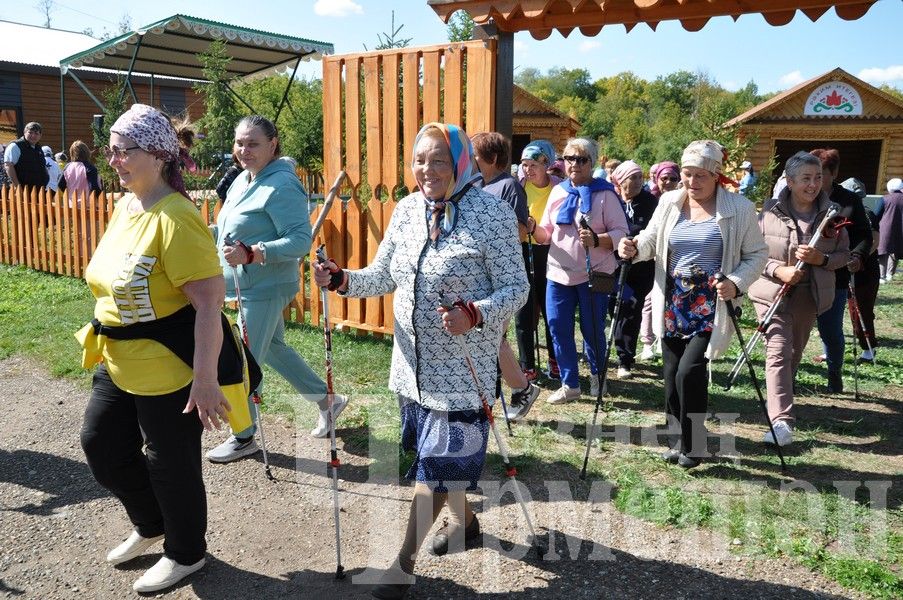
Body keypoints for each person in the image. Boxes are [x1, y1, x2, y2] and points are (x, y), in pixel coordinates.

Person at [314, 122, 528, 600]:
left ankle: (402, 564)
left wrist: (475, 313)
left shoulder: (491, 214)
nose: (427, 169)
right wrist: (342, 279)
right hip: (411, 369)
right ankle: (467, 524)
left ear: (459, 163)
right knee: (439, 466)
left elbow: (517, 289)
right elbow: (385, 274)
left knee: (435, 467)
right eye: (419, 160)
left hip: (463, 370)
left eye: (438, 159)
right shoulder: (408, 210)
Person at [76, 104, 237, 592]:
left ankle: (186, 553)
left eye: (126, 150)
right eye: (113, 149)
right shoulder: (127, 206)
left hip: (169, 368)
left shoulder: (177, 217)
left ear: (160, 155)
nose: (116, 159)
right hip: (118, 357)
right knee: (101, 444)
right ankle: (152, 525)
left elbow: (209, 305)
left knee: (171, 463)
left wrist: (206, 381)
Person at [618, 140, 767, 468]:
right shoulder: (670, 201)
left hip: (710, 302)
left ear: (717, 175)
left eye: (701, 175)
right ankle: (678, 442)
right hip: (672, 300)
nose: (692, 182)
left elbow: (757, 254)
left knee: (689, 372)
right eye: (687, 174)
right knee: (671, 374)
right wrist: (632, 247)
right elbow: (650, 241)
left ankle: (696, 445)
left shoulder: (737, 208)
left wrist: (736, 283)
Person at [207, 115, 338, 463]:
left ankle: (243, 434)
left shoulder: (282, 184)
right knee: (275, 348)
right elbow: (227, 230)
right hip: (246, 284)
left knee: (242, 360)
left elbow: (299, 241)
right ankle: (329, 402)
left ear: (273, 144)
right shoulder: (242, 180)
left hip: (265, 286)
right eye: (239, 143)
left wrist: (253, 253)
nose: (244, 150)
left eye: (253, 143)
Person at [748, 152, 849, 446]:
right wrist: (779, 269)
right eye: (806, 178)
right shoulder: (768, 213)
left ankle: (780, 397)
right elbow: (753, 254)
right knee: (778, 351)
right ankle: (781, 422)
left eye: (817, 178)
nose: (813, 184)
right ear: (790, 181)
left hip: (810, 295)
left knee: (793, 353)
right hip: (771, 294)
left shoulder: (833, 214)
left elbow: (843, 255)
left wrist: (822, 258)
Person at [531, 138, 629, 404]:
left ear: (592, 162)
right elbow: (547, 233)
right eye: (569, 158)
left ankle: (598, 377)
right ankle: (569, 384)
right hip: (558, 272)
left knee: (592, 329)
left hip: (594, 273)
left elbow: (622, 232)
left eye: (581, 159)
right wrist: (532, 228)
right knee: (557, 326)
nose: (574, 164)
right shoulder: (558, 191)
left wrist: (597, 239)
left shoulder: (605, 194)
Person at [470, 132, 540, 421]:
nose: (471, 160)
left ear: (493, 158)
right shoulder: (473, 184)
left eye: (475, 155)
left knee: (492, 334)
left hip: (502, 274)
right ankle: (516, 388)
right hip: (477, 271)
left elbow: (523, 230)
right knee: (487, 334)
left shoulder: (509, 186)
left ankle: (522, 387)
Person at [809, 148, 872, 392]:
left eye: (820, 175)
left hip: (835, 275)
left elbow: (864, 235)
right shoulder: (800, 196)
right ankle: (787, 376)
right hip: (800, 275)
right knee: (793, 329)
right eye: (809, 174)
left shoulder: (849, 200)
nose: (813, 181)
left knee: (830, 329)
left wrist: (857, 256)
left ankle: (834, 372)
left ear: (834, 174)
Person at [517, 140, 562, 381]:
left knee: (550, 311)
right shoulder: (518, 187)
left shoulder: (560, 188)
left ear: (546, 164)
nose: (528, 170)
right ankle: (527, 366)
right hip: (524, 250)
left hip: (552, 253)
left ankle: (555, 362)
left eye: (533, 164)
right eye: (524, 164)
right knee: (524, 311)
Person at [609, 160, 657, 379]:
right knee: (615, 308)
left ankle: (624, 359)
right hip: (614, 268)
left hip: (641, 270)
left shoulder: (650, 202)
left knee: (631, 308)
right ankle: (616, 346)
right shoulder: (612, 201)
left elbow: (654, 233)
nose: (638, 182)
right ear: (620, 181)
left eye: (640, 177)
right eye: (632, 178)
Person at [639, 161, 680, 361]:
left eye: (673, 178)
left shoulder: (682, 201)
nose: (669, 182)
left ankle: (665, 340)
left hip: (675, 261)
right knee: (650, 300)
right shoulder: (650, 199)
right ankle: (647, 342)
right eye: (664, 178)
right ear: (657, 179)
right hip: (650, 256)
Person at [840, 177, 879, 360]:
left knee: (862, 310)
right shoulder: (846, 213)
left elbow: (874, 241)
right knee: (852, 309)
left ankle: (869, 349)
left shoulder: (866, 213)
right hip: (848, 266)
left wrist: (858, 258)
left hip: (865, 270)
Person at [3, 122, 49, 189]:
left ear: (40, 135)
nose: (33, 135)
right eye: (30, 132)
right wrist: (18, 187)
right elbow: (8, 166)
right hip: (22, 192)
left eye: (36, 133)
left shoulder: (38, 148)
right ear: (24, 132)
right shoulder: (15, 146)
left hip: (39, 191)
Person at [878, 177, 903, 284]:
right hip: (901, 228)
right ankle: (890, 274)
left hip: (886, 228)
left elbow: (876, 214)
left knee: (883, 251)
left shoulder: (885, 199)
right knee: (896, 251)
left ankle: (882, 276)